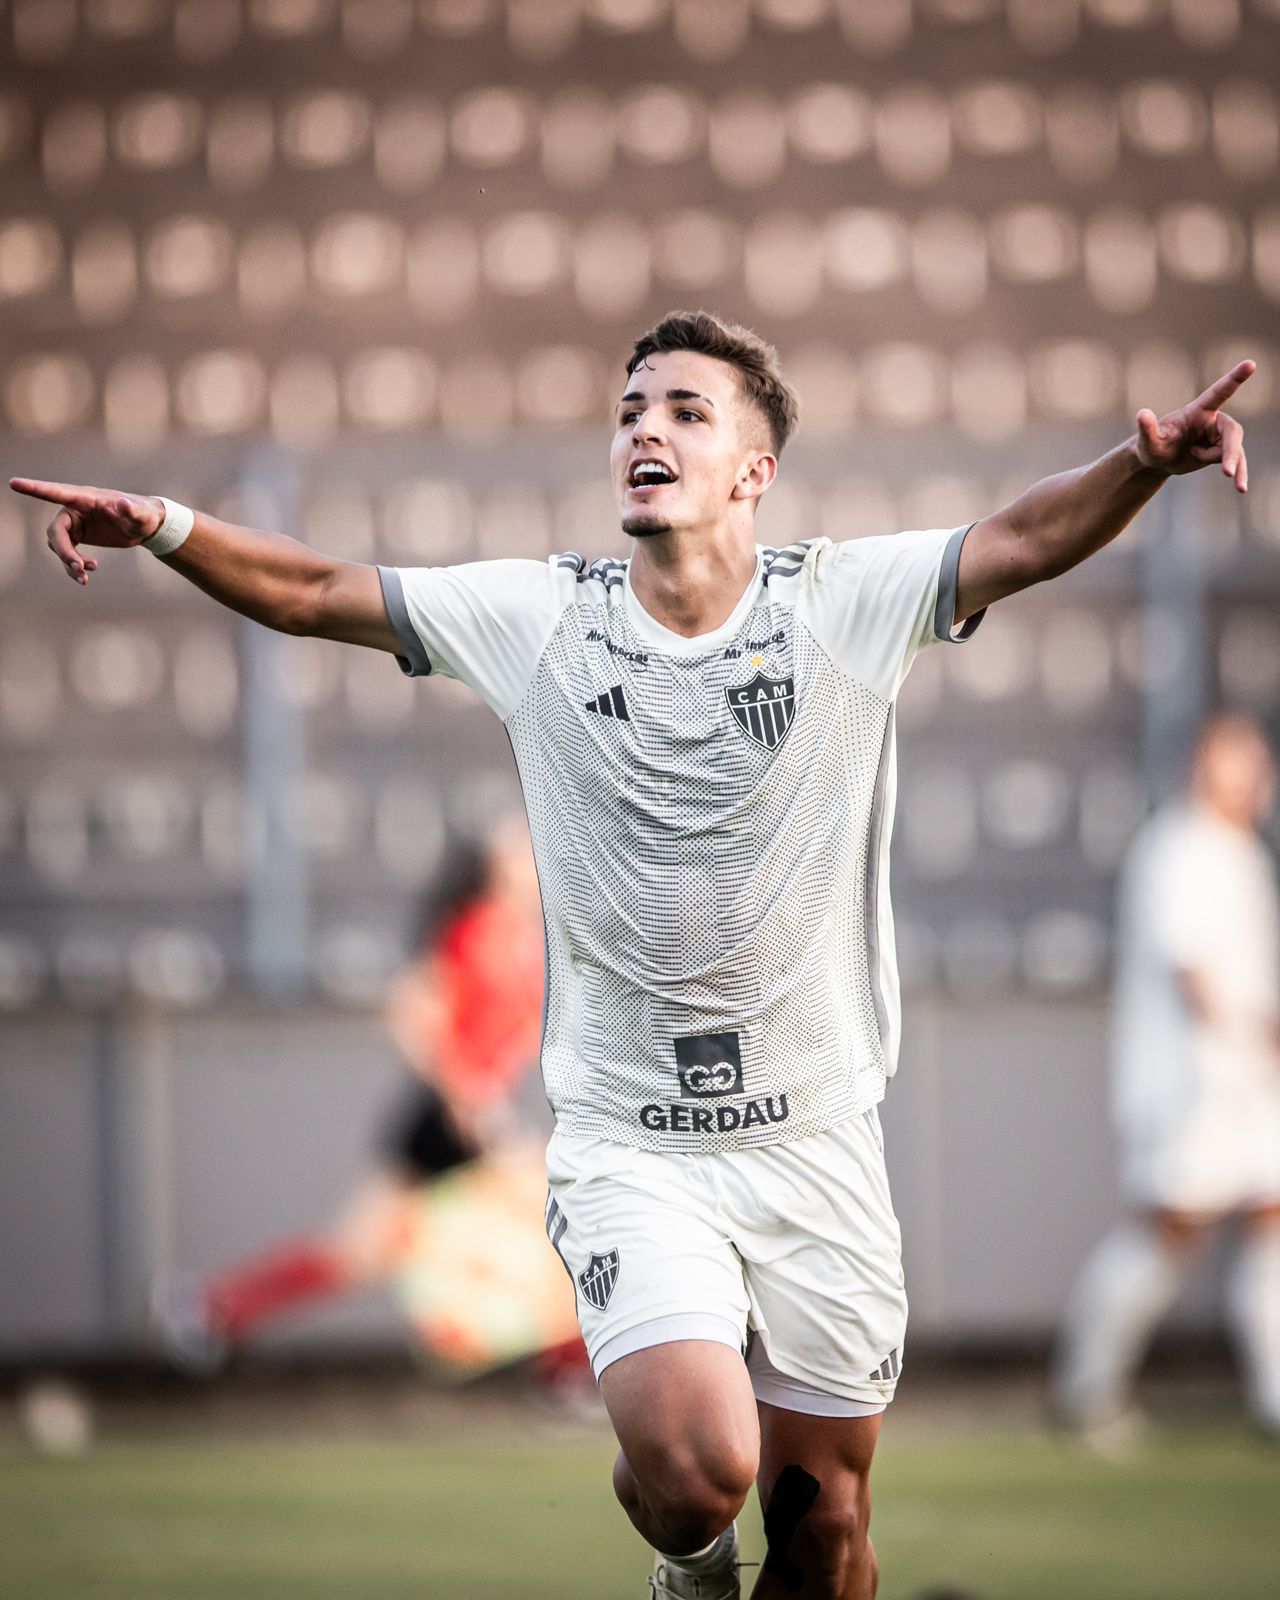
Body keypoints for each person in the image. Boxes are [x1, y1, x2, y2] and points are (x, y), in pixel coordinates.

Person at [12, 311, 1254, 1599]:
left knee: (826, 1532)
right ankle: (690, 1557)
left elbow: (1022, 538)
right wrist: (164, 523)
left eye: (682, 411)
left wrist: (1138, 464)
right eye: (628, 410)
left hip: (816, 1135)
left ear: (751, 472)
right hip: (632, 1145)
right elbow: (320, 590)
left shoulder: (841, 602)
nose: (643, 430)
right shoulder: (539, 616)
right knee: (700, 1468)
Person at [158, 816, 549, 1372]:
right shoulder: (475, 929)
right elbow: (411, 1010)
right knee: (552, 1226)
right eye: (517, 848)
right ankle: (214, 1308)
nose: (530, 855)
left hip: (472, 1118)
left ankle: (217, 1308)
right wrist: (470, 1098)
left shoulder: (527, 936)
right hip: (449, 1117)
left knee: (371, 1252)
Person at [1052, 714, 1280, 1444]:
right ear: (1203, 767)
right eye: (1236, 763)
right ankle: (1085, 1391)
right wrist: (1252, 1046)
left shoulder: (1242, 852)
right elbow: (1195, 972)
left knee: (1270, 1225)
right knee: (1168, 1235)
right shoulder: (1179, 848)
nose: (1251, 779)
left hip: (1248, 1086)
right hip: (1192, 1089)